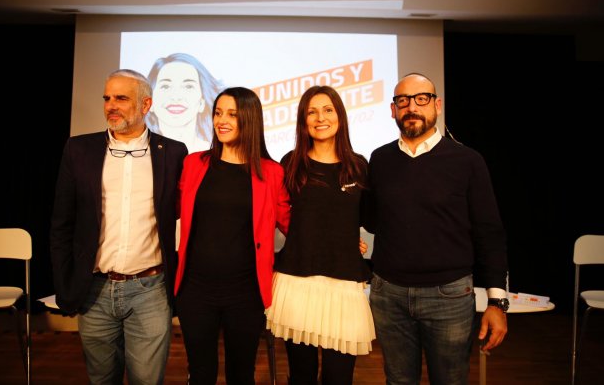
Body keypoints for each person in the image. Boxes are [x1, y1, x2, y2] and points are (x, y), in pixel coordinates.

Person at [364, 72, 509, 384]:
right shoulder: (379, 159)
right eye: (403, 101)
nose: (412, 107)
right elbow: (371, 220)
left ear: (437, 105)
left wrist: (497, 302)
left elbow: (490, 233)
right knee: (398, 380)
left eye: (421, 99)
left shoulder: (467, 161)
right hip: (388, 295)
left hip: (450, 296)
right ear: (393, 109)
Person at [49, 69, 188, 384]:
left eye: (121, 98)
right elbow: (61, 225)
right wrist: (65, 282)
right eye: (107, 98)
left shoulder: (174, 153)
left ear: (145, 104)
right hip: (94, 290)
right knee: (101, 379)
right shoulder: (78, 150)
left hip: (150, 290)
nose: (111, 105)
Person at [173, 86, 291, 384]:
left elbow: (293, 225)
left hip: (246, 293)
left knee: (241, 374)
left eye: (232, 115)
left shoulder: (272, 172)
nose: (221, 120)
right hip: (196, 289)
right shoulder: (194, 164)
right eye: (218, 113)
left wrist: (341, 239)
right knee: (200, 372)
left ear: (249, 120)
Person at [265, 85, 376, 385]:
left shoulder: (359, 166)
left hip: (344, 286)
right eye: (311, 112)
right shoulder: (290, 163)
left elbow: (362, 218)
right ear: (303, 121)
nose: (320, 118)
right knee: (301, 376)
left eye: (328, 110)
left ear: (340, 115)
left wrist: (345, 238)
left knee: (339, 377)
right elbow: (280, 216)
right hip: (297, 283)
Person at [145, 52, 224, 152]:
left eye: (188, 86)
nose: (176, 96)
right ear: (150, 102)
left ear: (202, 103)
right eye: (165, 86)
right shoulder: (139, 153)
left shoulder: (214, 153)